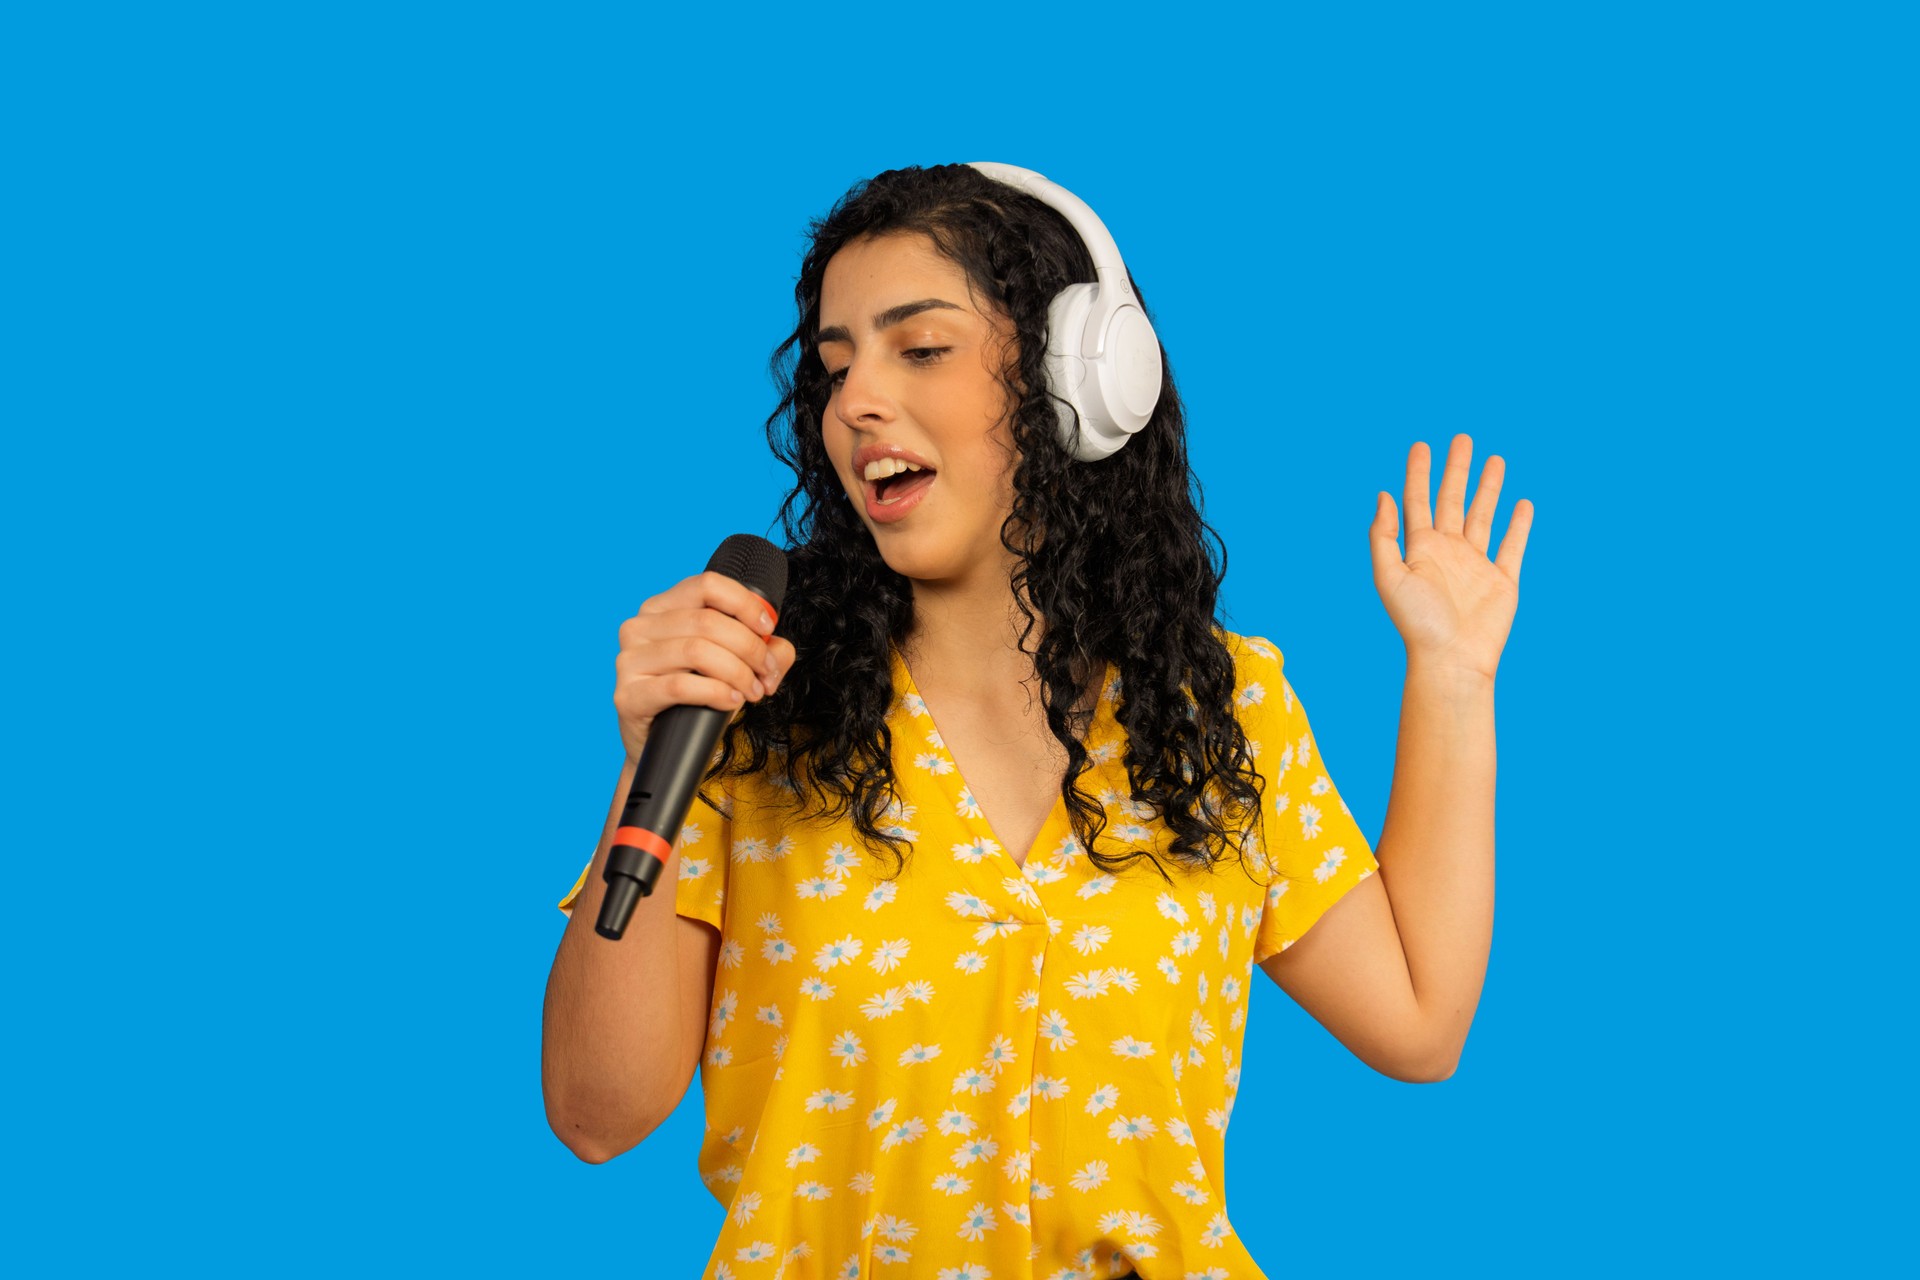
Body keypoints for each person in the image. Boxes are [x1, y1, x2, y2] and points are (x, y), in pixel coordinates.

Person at [541, 162, 1531, 1279]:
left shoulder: (1221, 708)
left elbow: (1419, 1018)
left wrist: (1451, 674)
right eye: (834, 364)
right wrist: (646, 767)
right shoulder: (752, 704)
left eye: (920, 347)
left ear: (1080, 376)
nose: (858, 398)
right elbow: (597, 1111)